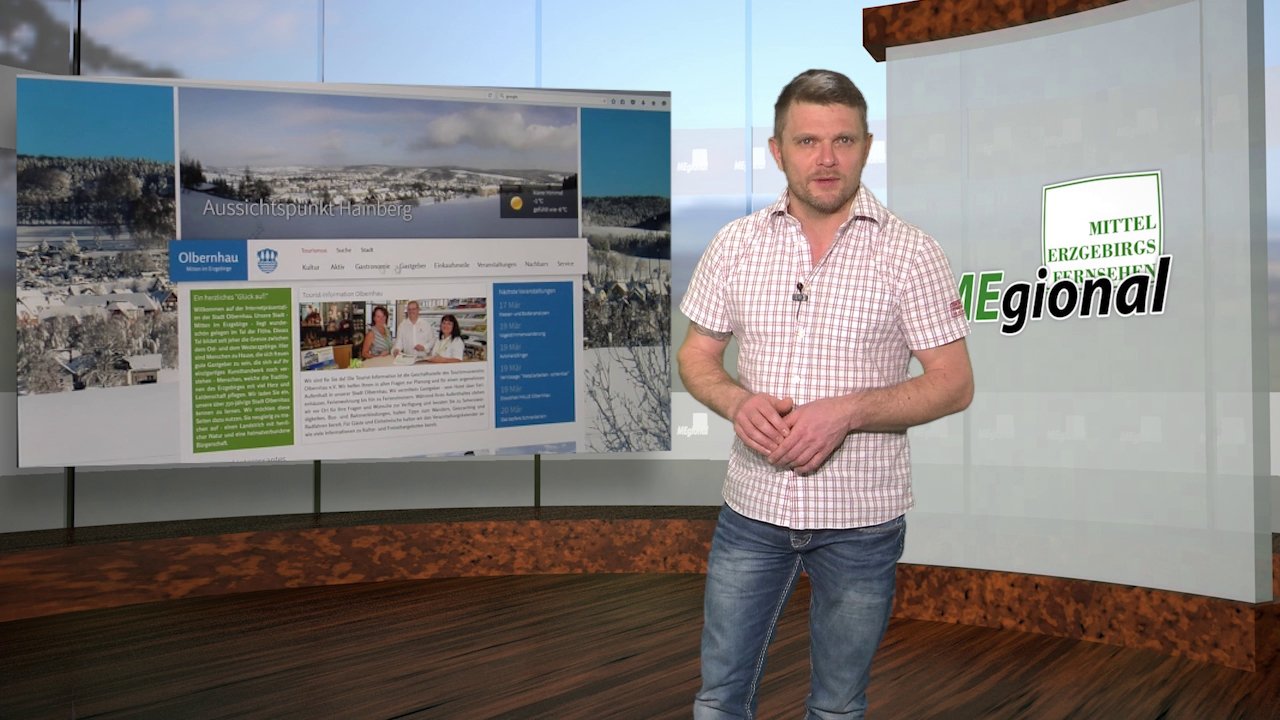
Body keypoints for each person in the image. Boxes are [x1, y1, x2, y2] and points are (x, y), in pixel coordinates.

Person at [678, 69, 974, 719]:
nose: (827, 158)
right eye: (808, 141)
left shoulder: (912, 253)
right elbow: (696, 357)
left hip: (862, 522)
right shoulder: (734, 245)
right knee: (719, 698)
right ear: (777, 150)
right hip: (752, 511)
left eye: (843, 139)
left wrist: (848, 412)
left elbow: (954, 384)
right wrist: (736, 402)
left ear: (867, 145)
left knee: (838, 708)